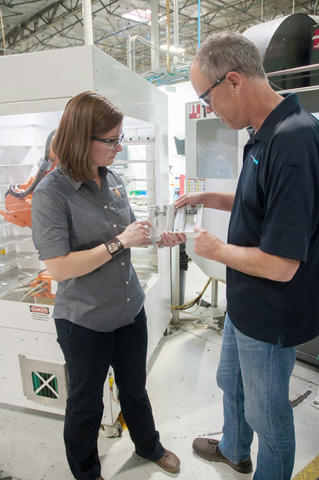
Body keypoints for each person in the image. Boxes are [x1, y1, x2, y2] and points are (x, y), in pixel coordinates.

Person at [175, 32, 319, 480]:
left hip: (271, 312)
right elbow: (259, 198)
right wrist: (208, 197)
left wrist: (216, 249)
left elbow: (281, 264)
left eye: (207, 96)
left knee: (267, 413)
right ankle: (235, 450)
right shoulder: (264, 131)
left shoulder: (294, 142)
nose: (209, 109)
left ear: (232, 81)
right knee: (230, 382)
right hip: (245, 301)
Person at [31, 91, 185, 480]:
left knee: (135, 389)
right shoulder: (52, 193)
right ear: (83, 139)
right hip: (84, 322)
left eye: (121, 138)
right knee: (85, 404)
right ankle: (87, 473)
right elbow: (60, 268)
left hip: (128, 310)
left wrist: (155, 237)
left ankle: (149, 445)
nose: (120, 147)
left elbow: (129, 232)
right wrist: (120, 243)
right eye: (112, 140)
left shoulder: (113, 178)